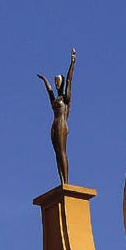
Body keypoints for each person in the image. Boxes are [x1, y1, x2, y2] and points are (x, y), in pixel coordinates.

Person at [38, 48, 76, 185]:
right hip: (54, 125)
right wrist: (44, 80)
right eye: (55, 81)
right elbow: (49, 92)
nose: (56, 83)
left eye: (58, 81)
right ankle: (61, 180)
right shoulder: (55, 99)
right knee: (56, 154)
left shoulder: (65, 98)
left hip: (61, 123)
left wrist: (72, 62)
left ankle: (66, 181)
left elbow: (70, 80)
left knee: (62, 152)